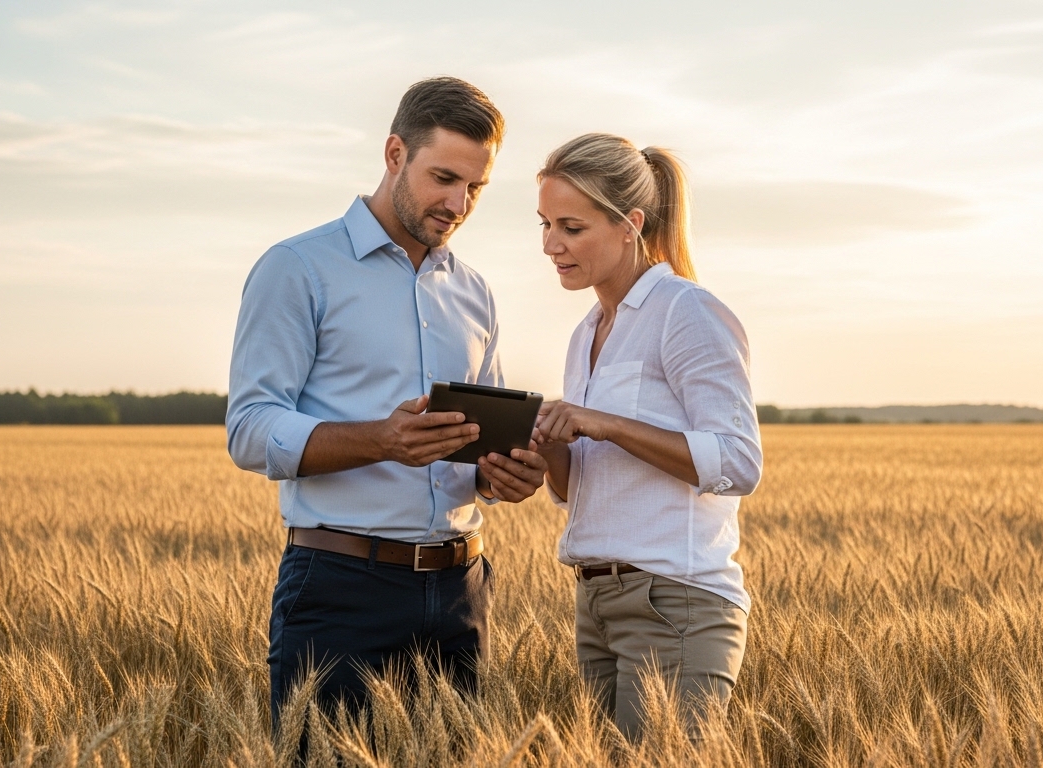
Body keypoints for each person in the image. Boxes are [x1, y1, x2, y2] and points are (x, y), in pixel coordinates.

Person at [225, 77, 547, 727]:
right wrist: (381, 439)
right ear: (395, 153)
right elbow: (251, 428)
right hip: (342, 588)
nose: (458, 203)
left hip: (463, 590)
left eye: (475, 188)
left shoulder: (475, 292)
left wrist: (505, 473)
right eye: (444, 178)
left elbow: (479, 443)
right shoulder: (298, 268)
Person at [533, 133, 763, 740]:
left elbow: (738, 461)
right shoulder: (586, 333)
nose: (550, 245)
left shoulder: (687, 312)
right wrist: (552, 446)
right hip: (596, 603)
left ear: (630, 223)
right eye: (545, 224)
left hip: (676, 603)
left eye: (571, 227)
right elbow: (579, 486)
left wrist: (604, 423)